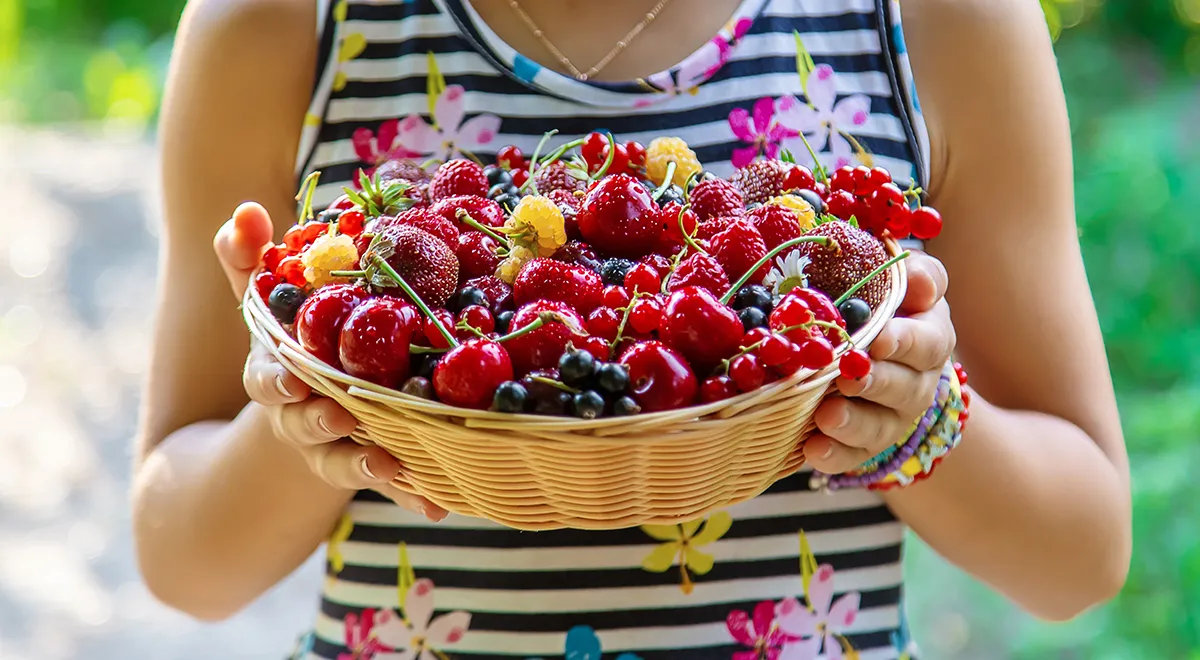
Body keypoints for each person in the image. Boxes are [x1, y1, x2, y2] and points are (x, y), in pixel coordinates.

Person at [133, 0, 1132, 657]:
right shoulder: (279, 25)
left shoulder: (938, 22)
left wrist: (911, 415)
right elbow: (184, 561)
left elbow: (1080, 553)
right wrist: (313, 396)